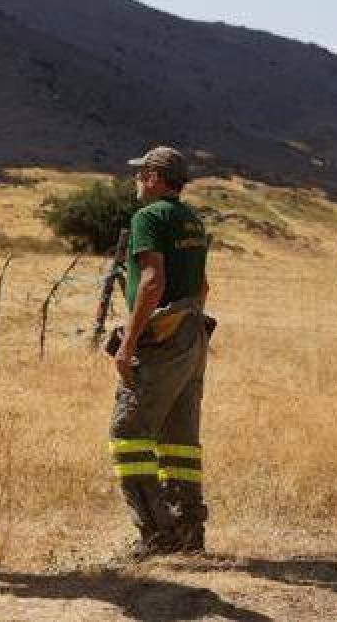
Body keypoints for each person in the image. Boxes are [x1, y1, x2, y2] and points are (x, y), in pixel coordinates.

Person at [107, 145, 211, 558]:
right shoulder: (193, 220)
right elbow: (202, 286)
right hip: (193, 332)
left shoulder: (148, 217)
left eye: (141, 173)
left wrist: (128, 344)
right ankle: (188, 529)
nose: (137, 181)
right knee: (180, 438)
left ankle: (156, 532)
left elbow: (151, 281)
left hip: (163, 338)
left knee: (128, 434)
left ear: (154, 177)